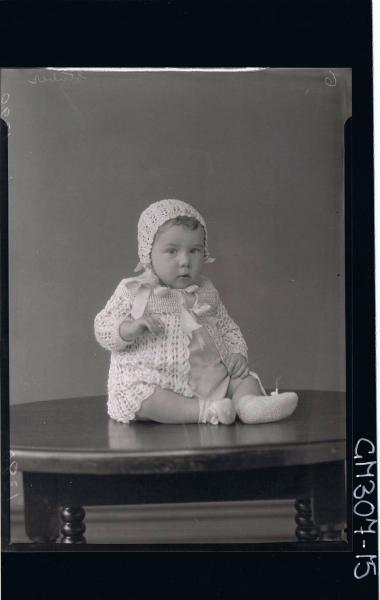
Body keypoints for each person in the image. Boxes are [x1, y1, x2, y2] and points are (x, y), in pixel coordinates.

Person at [94, 199, 298, 425]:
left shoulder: (206, 290)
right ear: (148, 253)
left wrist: (238, 353)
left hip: (210, 377)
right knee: (143, 399)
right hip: (158, 380)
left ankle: (248, 405)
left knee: (243, 378)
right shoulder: (134, 291)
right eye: (171, 251)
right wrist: (128, 329)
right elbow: (103, 327)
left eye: (194, 251)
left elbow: (227, 326)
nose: (185, 261)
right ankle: (206, 411)